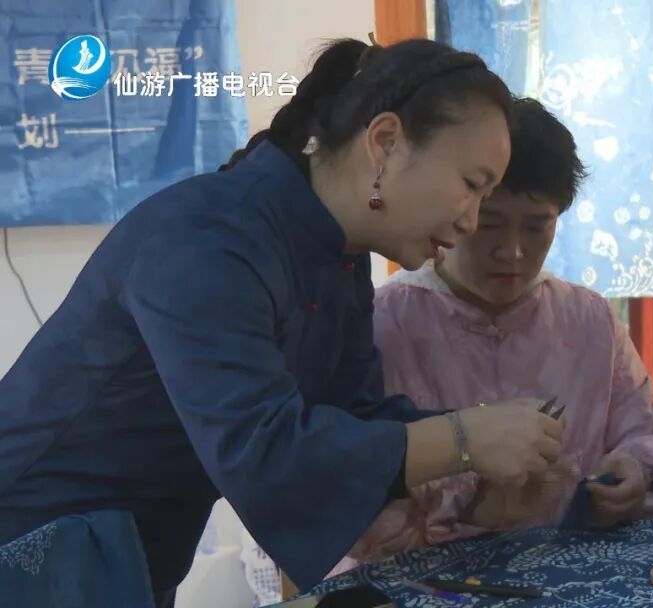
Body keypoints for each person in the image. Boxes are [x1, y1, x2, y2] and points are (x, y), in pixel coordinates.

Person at [0, 38, 569, 606]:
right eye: (472, 186)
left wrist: (489, 447)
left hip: (132, 554)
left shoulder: (339, 255)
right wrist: (464, 440)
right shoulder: (207, 239)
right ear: (386, 143)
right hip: (36, 547)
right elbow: (265, 452)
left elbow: (355, 416)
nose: (470, 222)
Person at [327, 97, 653, 573]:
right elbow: (342, 503)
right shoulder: (383, 325)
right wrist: (468, 507)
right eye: (491, 224)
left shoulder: (588, 320)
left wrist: (633, 473)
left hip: (563, 579)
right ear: (455, 211)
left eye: (537, 226)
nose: (513, 252)